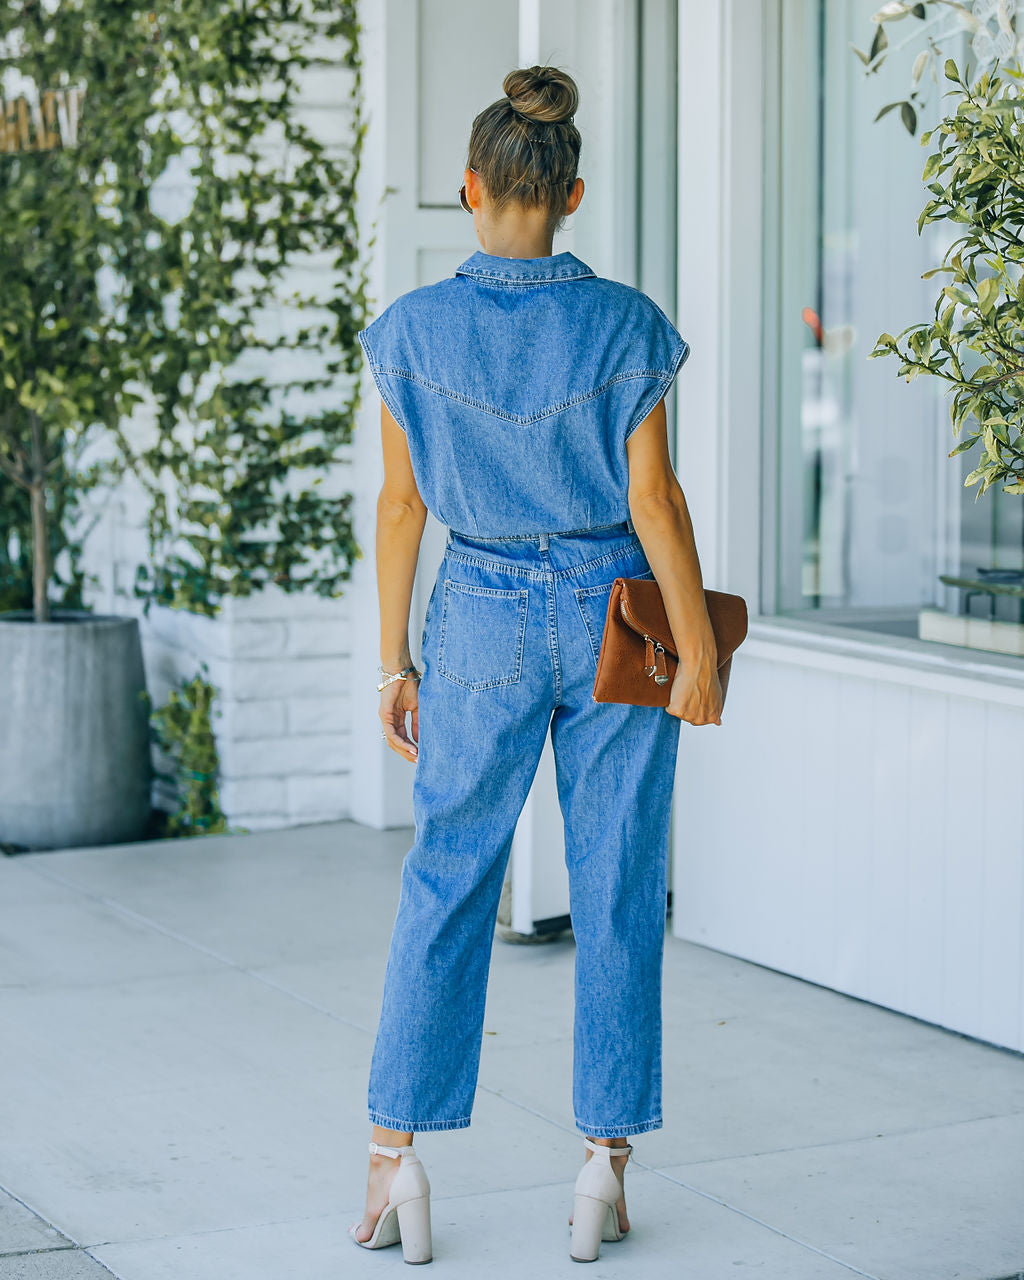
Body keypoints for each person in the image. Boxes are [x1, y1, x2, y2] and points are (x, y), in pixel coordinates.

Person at [349, 63, 723, 1266]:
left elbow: (402, 510)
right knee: (617, 879)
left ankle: (393, 1155)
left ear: (469, 188)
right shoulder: (625, 323)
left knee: (445, 874)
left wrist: (393, 660)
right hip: (617, 612)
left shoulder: (409, 331)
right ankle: (602, 1166)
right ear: (572, 192)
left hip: (476, 614)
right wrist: (699, 645)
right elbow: (654, 504)